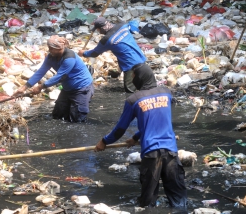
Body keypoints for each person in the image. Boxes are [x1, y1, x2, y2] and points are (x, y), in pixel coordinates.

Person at [94, 65, 187, 209]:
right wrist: (136, 137)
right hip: (171, 153)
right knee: (178, 200)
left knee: (147, 202)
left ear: (140, 78)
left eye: (133, 77)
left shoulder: (134, 99)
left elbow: (120, 129)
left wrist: (104, 141)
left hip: (151, 154)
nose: (132, 80)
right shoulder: (166, 93)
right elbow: (157, 121)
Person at [14, 35, 94, 123]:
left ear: (59, 48)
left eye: (52, 48)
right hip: (67, 89)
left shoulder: (69, 57)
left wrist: (41, 86)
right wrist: (24, 87)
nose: (49, 50)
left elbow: (60, 77)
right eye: (49, 48)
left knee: (77, 119)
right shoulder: (50, 57)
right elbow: (41, 72)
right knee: (57, 116)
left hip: (82, 88)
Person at [78, 17, 151, 93]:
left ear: (102, 28)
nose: (98, 31)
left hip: (130, 66)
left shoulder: (106, 40)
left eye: (98, 29)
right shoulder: (123, 25)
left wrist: (83, 53)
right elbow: (132, 26)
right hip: (141, 59)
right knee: (145, 86)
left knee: (130, 91)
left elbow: (94, 53)